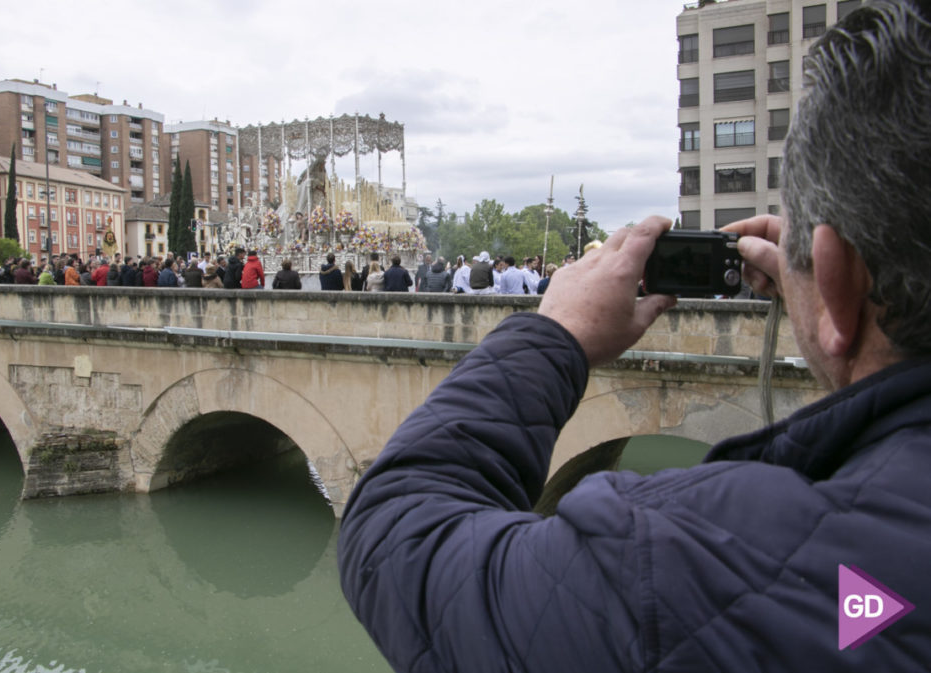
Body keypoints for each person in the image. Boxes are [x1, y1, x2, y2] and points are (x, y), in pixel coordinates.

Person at [338, 2, 931, 670]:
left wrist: (556, 333)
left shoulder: (683, 556)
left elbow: (393, 531)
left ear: (837, 276)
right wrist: (813, 294)